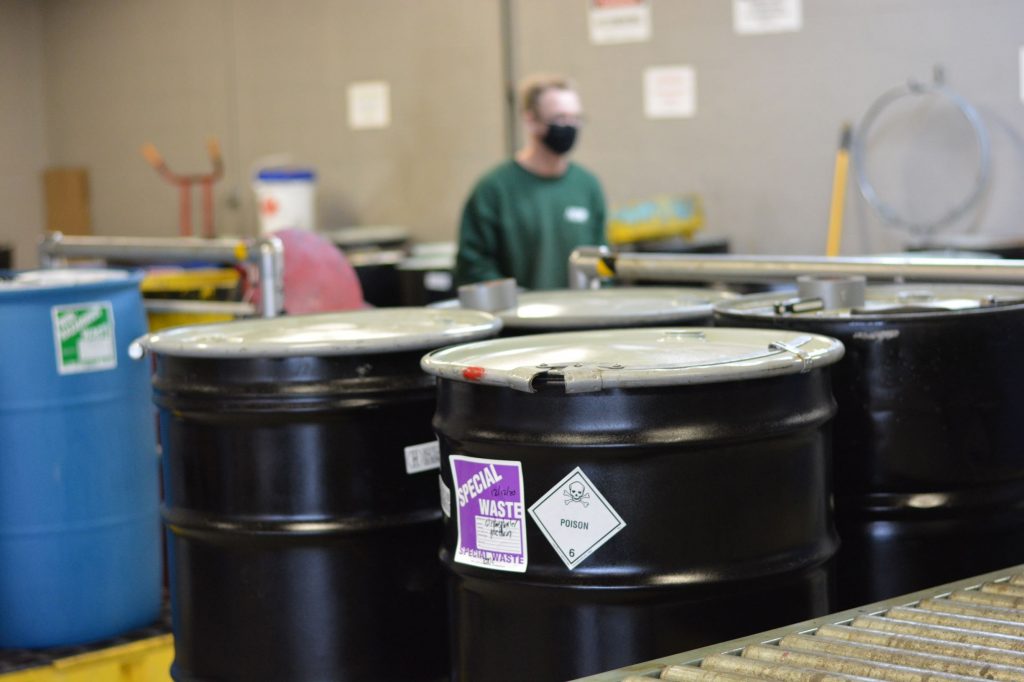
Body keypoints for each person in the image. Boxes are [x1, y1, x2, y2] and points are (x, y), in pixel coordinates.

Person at [454, 74, 606, 290]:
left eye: (576, 118)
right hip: (519, 318)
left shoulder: (588, 186)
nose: (570, 126)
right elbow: (473, 265)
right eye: (560, 118)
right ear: (531, 120)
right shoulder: (494, 189)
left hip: (581, 317)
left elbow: (602, 258)